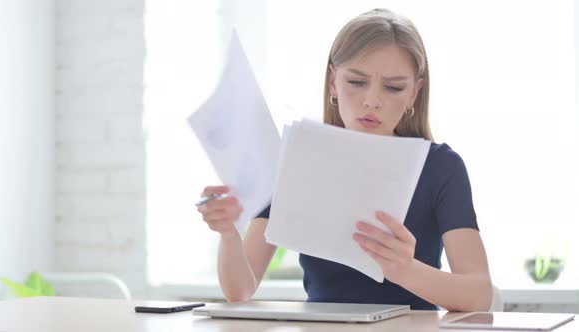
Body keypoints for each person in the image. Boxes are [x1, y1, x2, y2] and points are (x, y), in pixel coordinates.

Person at [197, 8, 492, 311]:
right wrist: (229, 233)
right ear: (333, 83)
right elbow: (240, 290)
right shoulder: (299, 158)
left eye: (393, 87)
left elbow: (479, 295)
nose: (372, 100)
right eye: (356, 81)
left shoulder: (441, 166)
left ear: (414, 93)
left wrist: (404, 269)